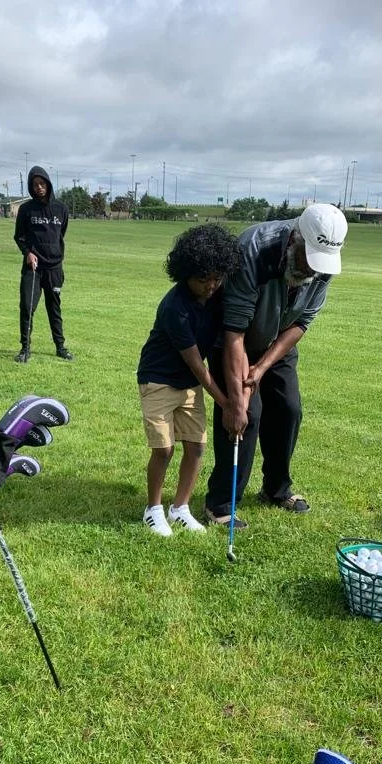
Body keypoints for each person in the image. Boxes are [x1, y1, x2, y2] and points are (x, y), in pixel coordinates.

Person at [203, 203, 348, 526]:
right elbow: (234, 332)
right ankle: (221, 502)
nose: (312, 270)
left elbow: (303, 321)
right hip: (234, 337)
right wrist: (237, 400)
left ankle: (276, 489)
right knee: (244, 415)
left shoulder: (324, 262)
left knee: (289, 409)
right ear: (295, 239)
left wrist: (262, 367)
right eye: (307, 260)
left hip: (278, 337)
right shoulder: (253, 249)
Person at [137, 224, 242, 536]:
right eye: (203, 279)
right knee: (164, 449)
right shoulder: (174, 308)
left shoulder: (217, 295)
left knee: (196, 447)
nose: (211, 285)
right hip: (158, 379)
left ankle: (180, 507)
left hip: (190, 387)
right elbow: (197, 364)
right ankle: (153, 509)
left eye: (217, 278)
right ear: (185, 274)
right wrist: (225, 403)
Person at [13, 165, 73, 362]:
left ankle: (60, 347)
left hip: (54, 267)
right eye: (35, 184)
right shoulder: (26, 209)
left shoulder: (61, 209)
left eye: (42, 183)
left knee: (54, 307)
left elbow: (60, 234)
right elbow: (19, 236)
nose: (39, 187)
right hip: (33, 268)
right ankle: (25, 349)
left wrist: (53, 252)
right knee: (27, 306)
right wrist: (28, 252)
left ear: (48, 183)